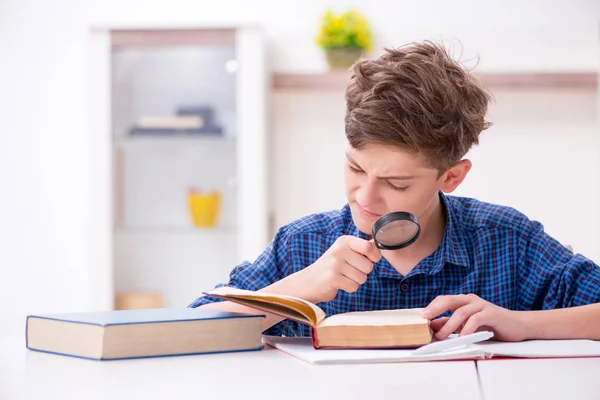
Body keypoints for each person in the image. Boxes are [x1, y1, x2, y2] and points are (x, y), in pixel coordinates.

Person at [189, 41, 600, 341]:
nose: (365, 198)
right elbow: (187, 330)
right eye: (355, 168)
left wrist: (522, 323)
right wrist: (296, 291)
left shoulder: (507, 240)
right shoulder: (302, 244)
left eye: (396, 183)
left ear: (451, 178)